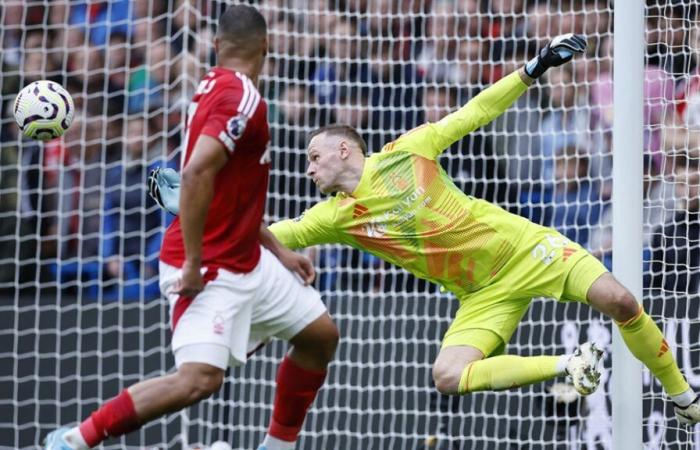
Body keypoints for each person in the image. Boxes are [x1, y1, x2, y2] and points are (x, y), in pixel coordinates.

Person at [149, 33, 700, 424]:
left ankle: (681, 395)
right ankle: (568, 365)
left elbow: (474, 112)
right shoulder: (335, 218)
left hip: (527, 248)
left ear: (344, 149)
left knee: (622, 301)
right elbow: (267, 234)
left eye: (315, 159)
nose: (309, 170)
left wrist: (531, 70)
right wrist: (196, 211)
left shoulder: (407, 152)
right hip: (481, 294)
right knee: (447, 375)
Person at [44, 5, 339, 450]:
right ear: (267, 45)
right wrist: (196, 265)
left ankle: (278, 447)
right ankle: (76, 440)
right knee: (198, 381)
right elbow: (198, 173)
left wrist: (278, 249)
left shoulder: (211, 85)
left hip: (248, 259)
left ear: (217, 47)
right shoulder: (240, 98)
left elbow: (227, 192)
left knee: (319, 335)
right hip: (208, 266)